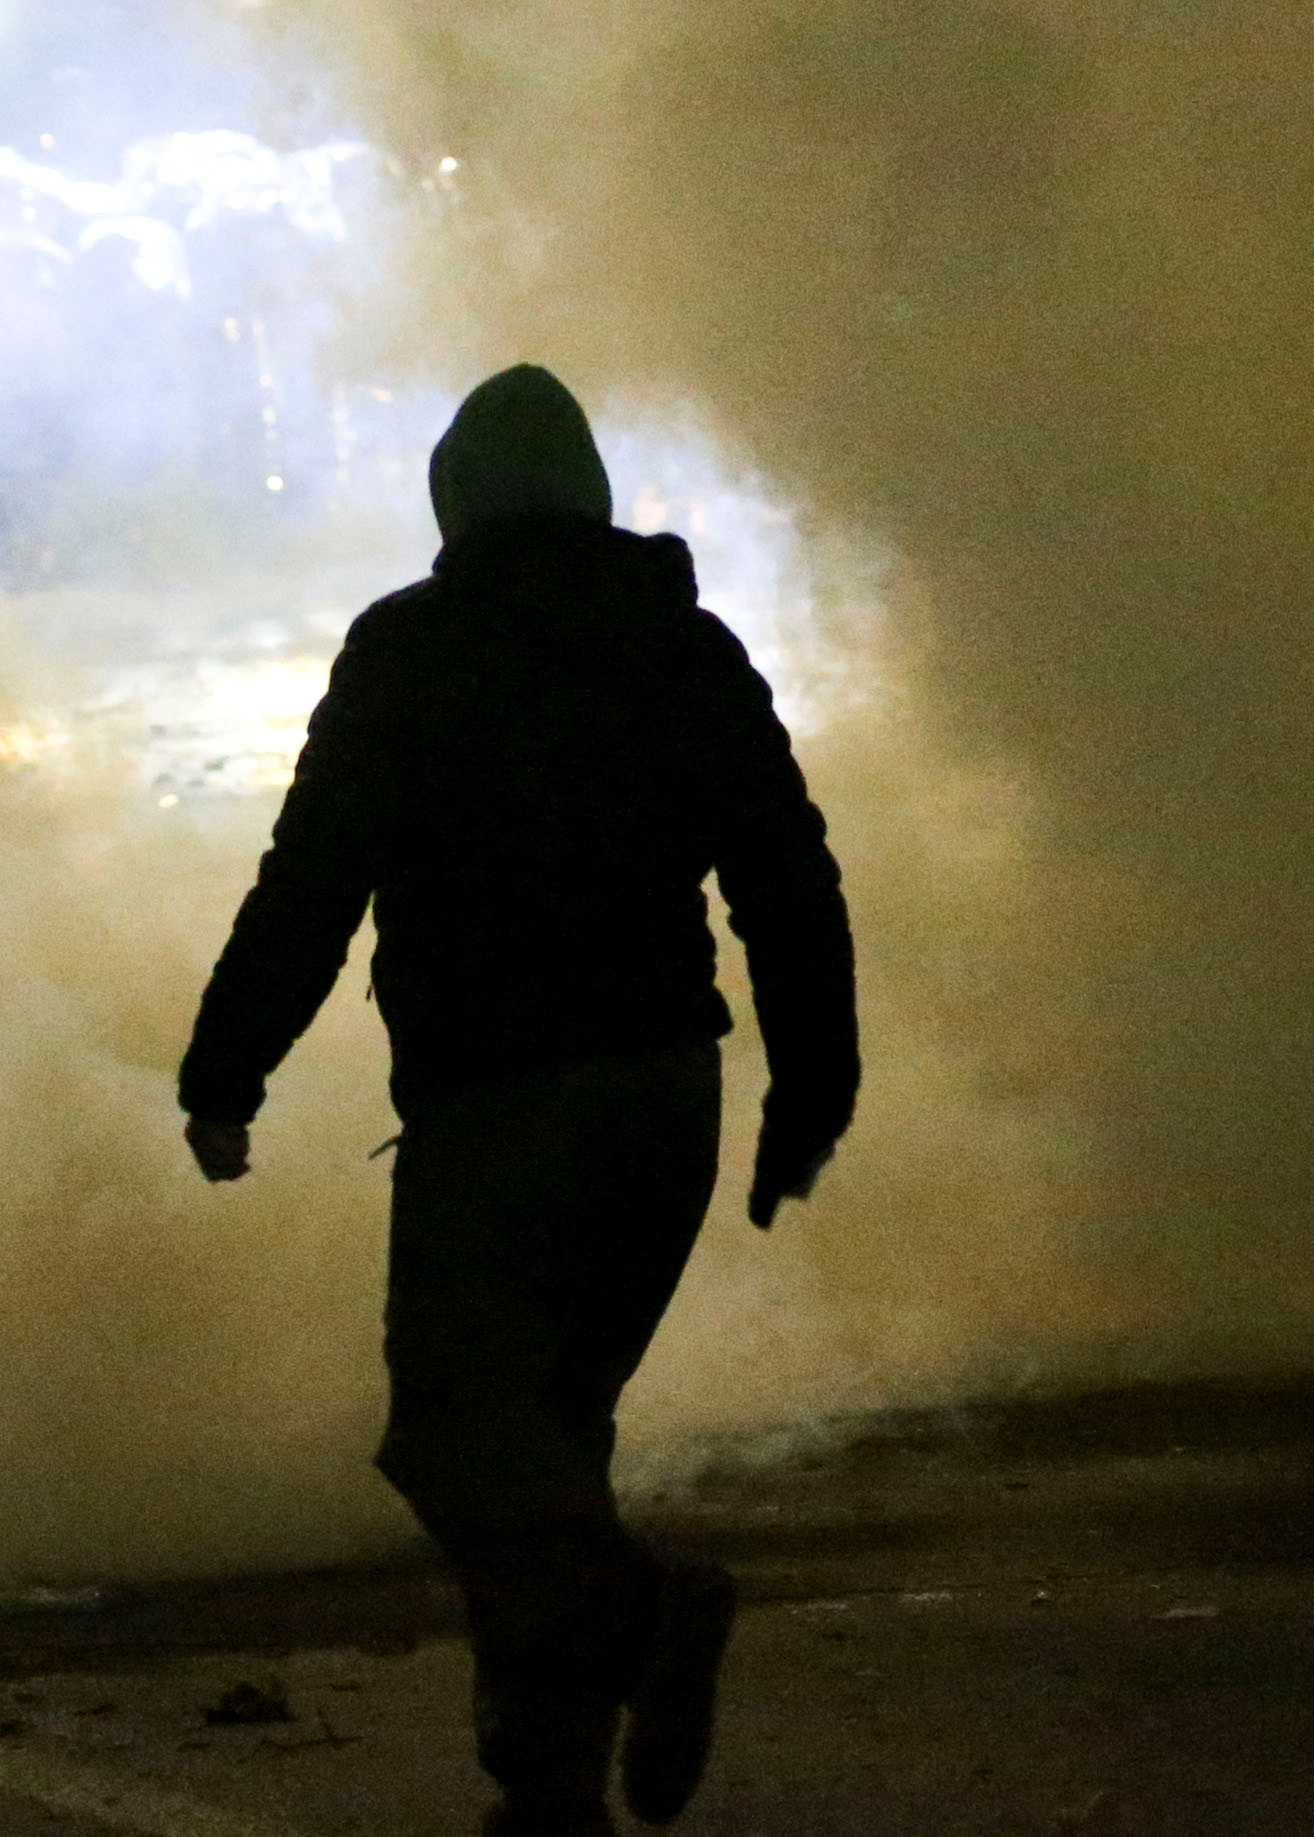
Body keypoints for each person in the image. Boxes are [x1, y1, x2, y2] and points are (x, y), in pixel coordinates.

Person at [180, 364, 858, 1837]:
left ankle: (646, 1610)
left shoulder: (412, 651)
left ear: (456, 505)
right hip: (665, 1101)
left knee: (456, 1435)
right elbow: (786, 880)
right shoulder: (687, 648)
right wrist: (810, 1091)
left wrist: (224, 1069)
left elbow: (312, 883)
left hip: (501, 1114)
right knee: (553, 1441)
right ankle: (546, 1785)